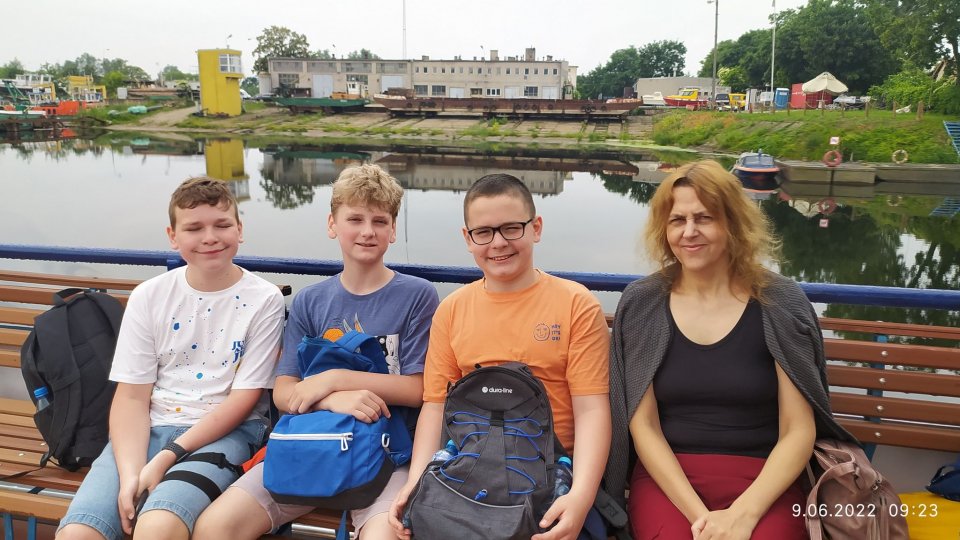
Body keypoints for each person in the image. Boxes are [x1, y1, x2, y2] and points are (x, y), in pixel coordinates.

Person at [604, 160, 856, 540]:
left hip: (765, 479)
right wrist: (703, 519)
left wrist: (743, 514)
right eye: (677, 220)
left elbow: (798, 430)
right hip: (669, 480)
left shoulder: (779, 303)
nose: (689, 232)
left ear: (733, 223)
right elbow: (645, 428)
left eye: (704, 218)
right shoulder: (644, 304)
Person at [194, 164, 439, 539]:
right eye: (354, 219)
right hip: (313, 444)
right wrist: (331, 399)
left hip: (386, 455)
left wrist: (334, 379)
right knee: (215, 526)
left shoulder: (417, 296)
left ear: (392, 230)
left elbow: (419, 389)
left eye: (379, 221)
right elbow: (284, 391)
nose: (367, 231)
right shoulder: (312, 301)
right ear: (332, 224)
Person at [57, 177, 286, 540]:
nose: (210, 237)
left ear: (239, 230)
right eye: (194, 228)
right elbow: (132, 397)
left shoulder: (263, 299)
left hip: (228, 432)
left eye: (222, 225)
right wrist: (130, 475)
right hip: (150, 428)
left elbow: (245, 398)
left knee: (159, 525)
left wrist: (169, 455)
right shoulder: (150, 295)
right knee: (79, 533)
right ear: (173, 236)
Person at [389, 173, 612, 540]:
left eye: (511, 228)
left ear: (535, 228)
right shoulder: (452, 311)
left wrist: (581, 497)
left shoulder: (575, 304)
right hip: (470, 471)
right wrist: (416, 482)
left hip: (551, 473)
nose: (498, 243)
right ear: (468, 238)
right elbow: (435, 406)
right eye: (484, 232)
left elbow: (591, 410)